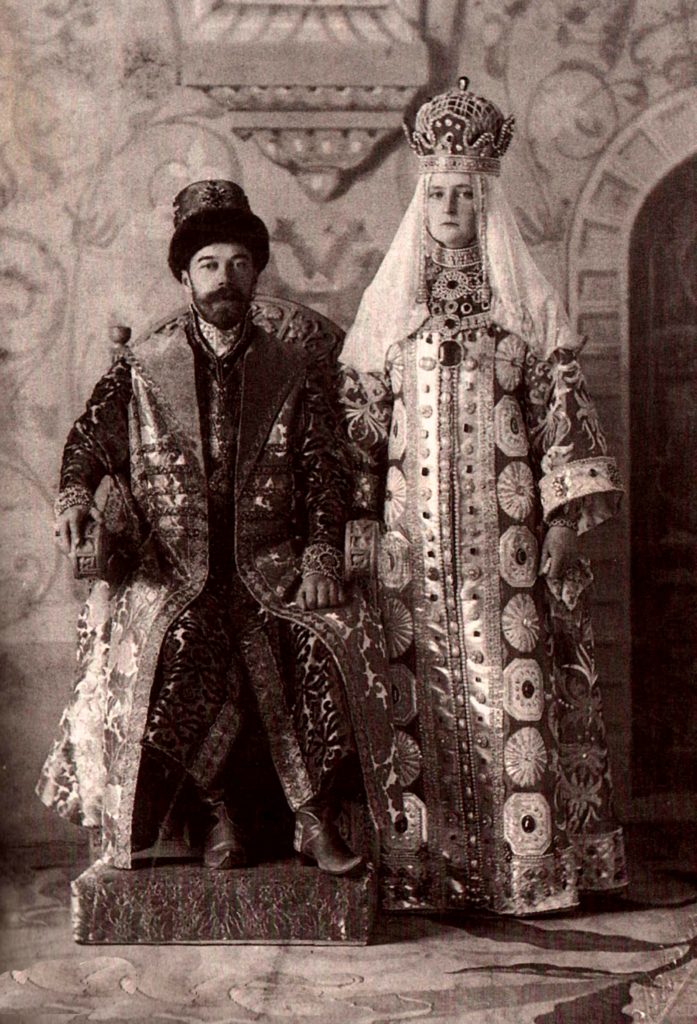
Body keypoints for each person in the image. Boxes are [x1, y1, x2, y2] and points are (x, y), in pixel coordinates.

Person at [37, 179, 403, 875]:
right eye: (208, 265)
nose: (224, 279)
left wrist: (322, 556)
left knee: (310, 643)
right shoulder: (143, 370)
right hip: (173, 566)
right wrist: (74, 500)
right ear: (184, 276)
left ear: (256, 272)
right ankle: (215, 814)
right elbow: (88, 441)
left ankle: (312, 819)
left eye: (238, 263)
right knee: (184, 642)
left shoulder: (294, 367)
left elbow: (326, 467)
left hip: (273, 563)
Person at [339, 79, 627, 914]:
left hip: (506, 544)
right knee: (411, 694)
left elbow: (562, 419)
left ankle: (523, 872)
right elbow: (358, 427)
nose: (452, 205)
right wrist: (354, 521)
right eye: (438, 193)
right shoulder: (389, 321)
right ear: (420, 203)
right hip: (408, 547)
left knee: (514, 686)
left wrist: (566, 515)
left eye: (466, 193)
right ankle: (421, 873)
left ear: (485, 202)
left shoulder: (522, 317)